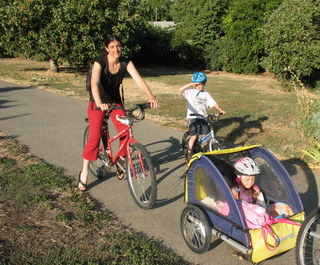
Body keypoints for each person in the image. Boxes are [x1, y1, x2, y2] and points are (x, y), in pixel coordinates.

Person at [77, 35, 159, 191]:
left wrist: (151, 97)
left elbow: (139, 80)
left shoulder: (125, 63)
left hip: (115, 102)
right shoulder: (99, 62)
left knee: (126, 132)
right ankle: (85, 173)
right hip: (98, 102)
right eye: (112, 47)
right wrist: (99, 103)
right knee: (94, 138)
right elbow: (94, 83)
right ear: (107, 49)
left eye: (118, 46)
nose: (116, 49)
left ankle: (121, 161)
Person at [178, 72, 226, 159]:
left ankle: (207, 150)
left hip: (203, 117)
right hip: (193, 117)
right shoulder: (190, 92)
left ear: (204, 84)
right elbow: (180, 90)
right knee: (194, 135)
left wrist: (220, 110)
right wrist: (191, 84)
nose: (200, 86)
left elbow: (213, 103)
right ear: (194, 85)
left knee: (206, 136)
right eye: (197, 85)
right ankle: (189, 152)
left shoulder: (206, 94)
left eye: (202, 84)